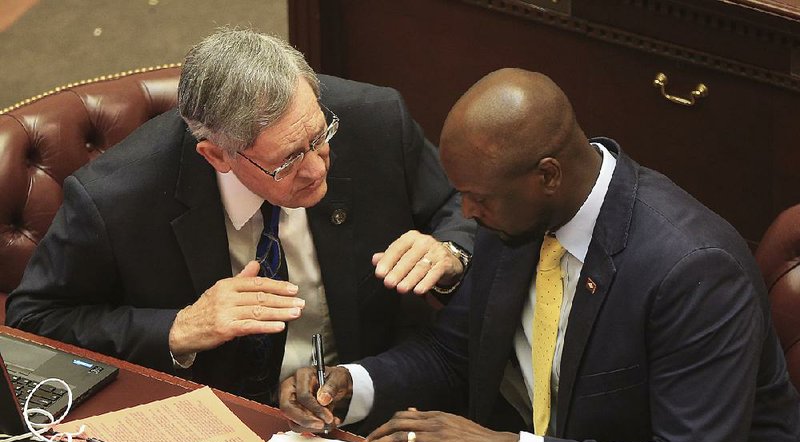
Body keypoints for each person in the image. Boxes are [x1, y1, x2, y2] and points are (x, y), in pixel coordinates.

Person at [280, 69, 800, 442]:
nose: (466, 214)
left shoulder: (692, 268)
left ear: (547, 174)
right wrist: (353, 383)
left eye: (478, 198)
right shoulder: (517, 216)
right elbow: (455, 351)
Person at [5, 29, 475, 403]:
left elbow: (463, 205)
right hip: (215, 416)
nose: (316, 168)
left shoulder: (375, 119)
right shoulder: (114, 198)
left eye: (318, 136)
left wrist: (450, 252)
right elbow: (34, 319)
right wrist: (178, 328)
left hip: (367, 395)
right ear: (216, 156)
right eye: (288, 160)